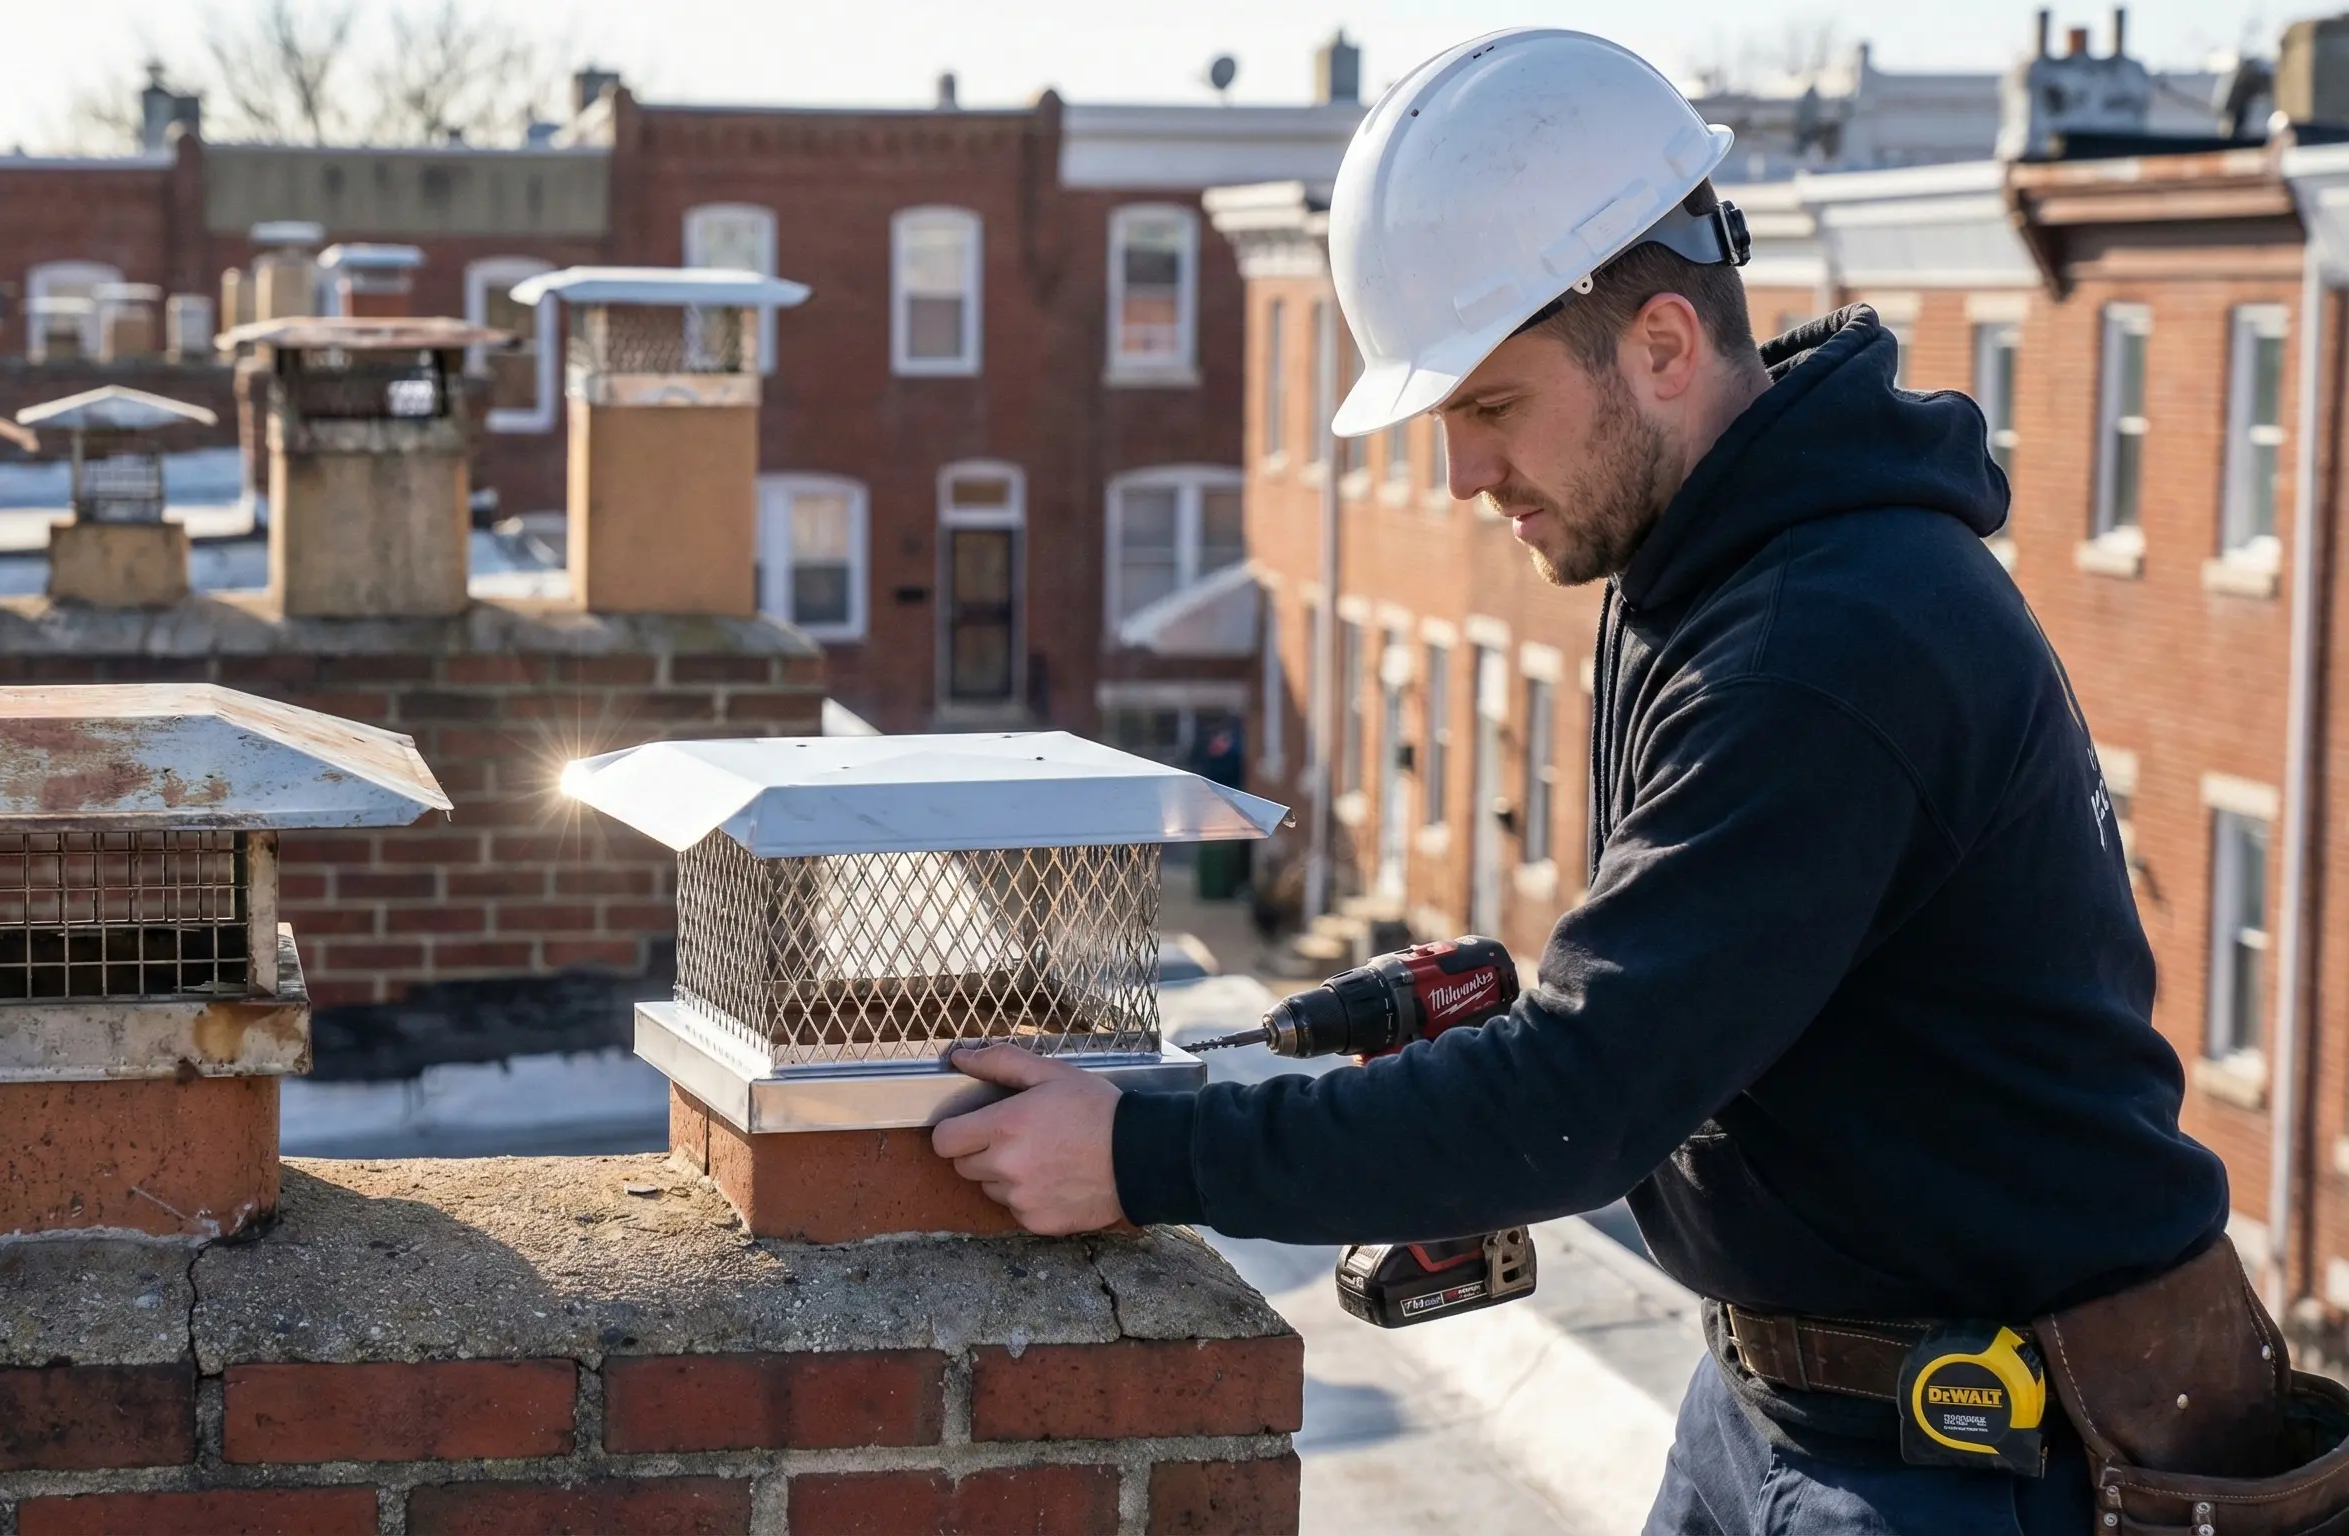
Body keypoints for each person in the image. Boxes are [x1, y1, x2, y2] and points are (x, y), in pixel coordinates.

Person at [928, 27, 2244, 1536]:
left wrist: (1141, 1152)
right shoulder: (1702, 568)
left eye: (1490, 408)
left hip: (1969, 1455)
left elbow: (1584, 1098)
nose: (1461, 476)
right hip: (1783, 1393)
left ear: (1663, 346)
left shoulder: (1828, 638)